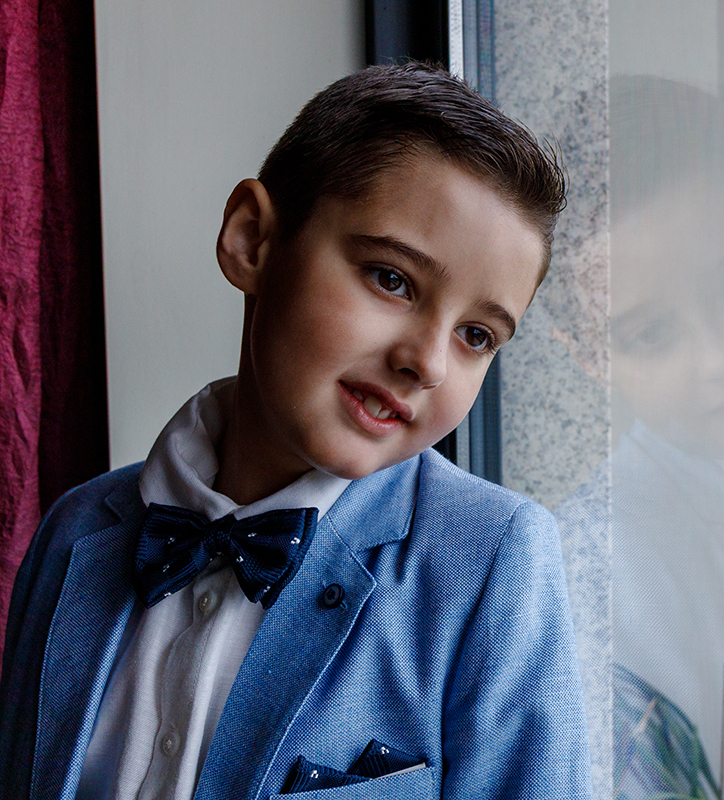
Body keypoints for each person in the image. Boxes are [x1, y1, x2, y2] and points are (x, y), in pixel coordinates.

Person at [0, 63, 591, 800]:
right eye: (392, 279)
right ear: (252, 240)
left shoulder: (490, 564)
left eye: (476, 334)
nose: (427, 362)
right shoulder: (74, 532)